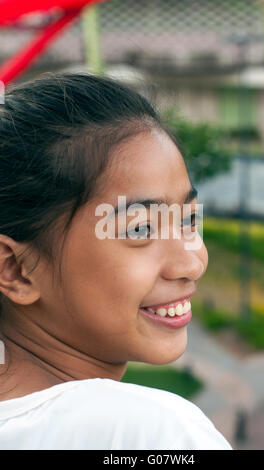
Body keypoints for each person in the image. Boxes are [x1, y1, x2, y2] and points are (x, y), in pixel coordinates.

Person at [0, 72, 232, 450]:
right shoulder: (152, 433)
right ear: (15, 270)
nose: (192, 263)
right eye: (140, 230)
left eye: (189, 219)